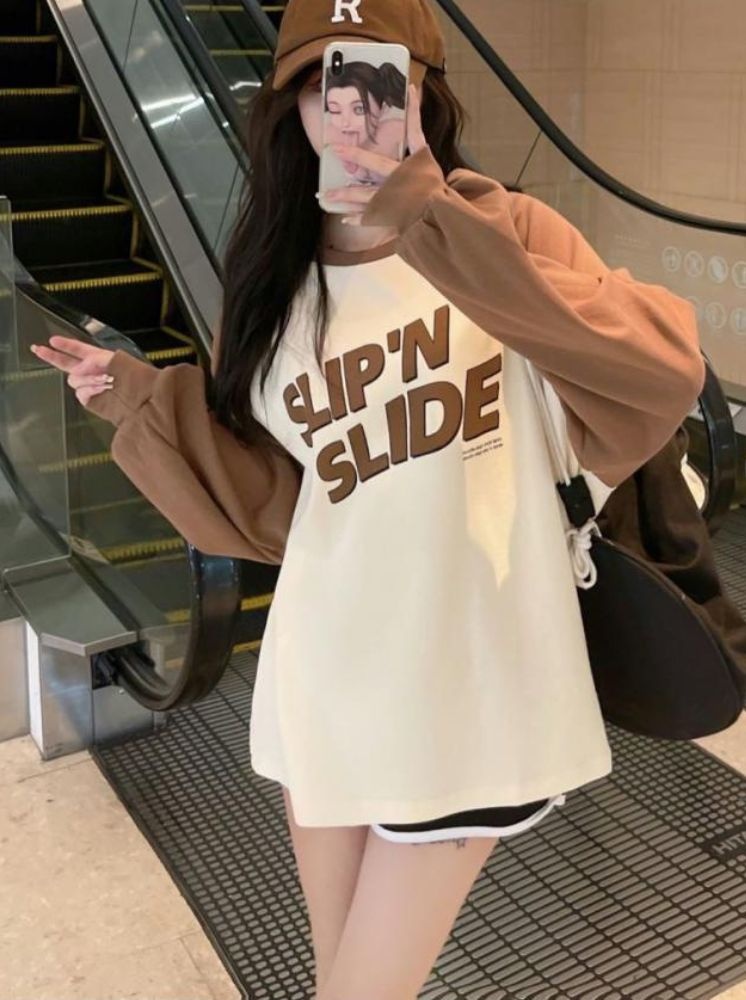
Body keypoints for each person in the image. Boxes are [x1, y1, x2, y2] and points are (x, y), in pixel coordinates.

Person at [30, 0, 705, 996]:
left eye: (379, 82)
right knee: (335, 977)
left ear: (424, 96)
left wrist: (431, 218)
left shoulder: (509, 231)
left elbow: (656, 375)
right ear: (289, 106)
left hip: (472, 679)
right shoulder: (273, 282)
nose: (350, 111)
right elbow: (281, 506)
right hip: (326, 672)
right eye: (322, 84)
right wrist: (138, 401)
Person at [324, 60, 407, 184]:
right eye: (335, 111)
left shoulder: (396, 132)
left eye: (359, 109)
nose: (345, 122)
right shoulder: (329, 135)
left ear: (383, 108)